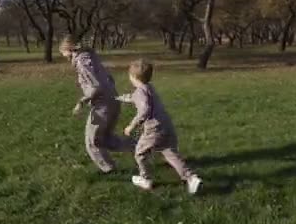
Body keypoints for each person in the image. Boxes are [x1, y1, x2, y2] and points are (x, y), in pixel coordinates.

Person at [117, 59, 202, 194]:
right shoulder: (148, 87)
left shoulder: (140, 93)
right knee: (169, 152)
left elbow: (144, 108)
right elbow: (137, 97)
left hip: (154, 129)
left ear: (133, 77)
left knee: (139, 152)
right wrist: (122, 98)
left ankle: (146, 179)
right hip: (166, 125)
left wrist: (131, 126)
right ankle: (191, 178)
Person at [59, 35, 134, 173]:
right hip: (112, 100)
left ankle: (109, 169)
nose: (63, 56)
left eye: (62, 52)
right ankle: (145, 147)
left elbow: (96, 86)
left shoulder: (82, 62)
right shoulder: (91, 57)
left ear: (69, 49)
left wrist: (82, 101)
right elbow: (109, 79)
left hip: (103, 105)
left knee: (92, 141)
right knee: (105, 139)